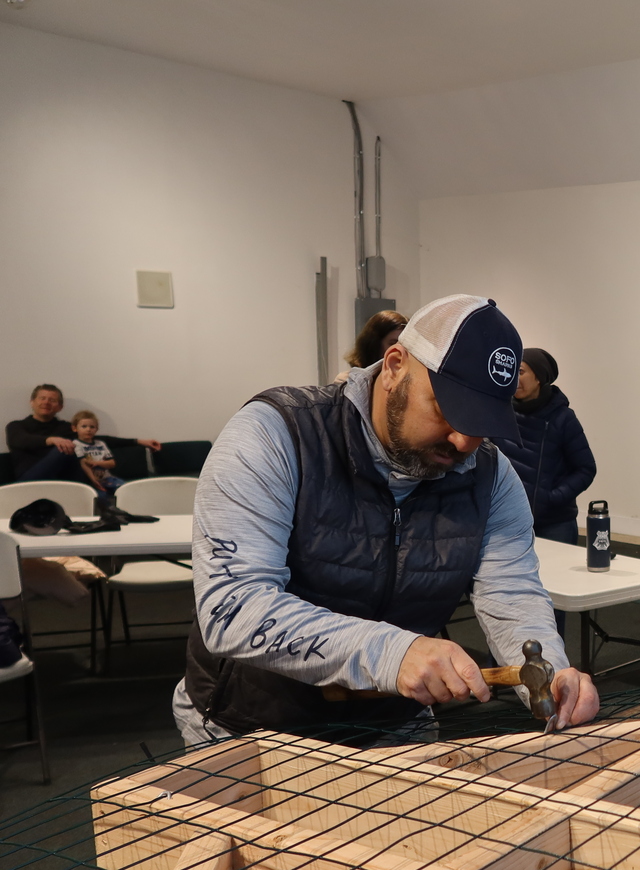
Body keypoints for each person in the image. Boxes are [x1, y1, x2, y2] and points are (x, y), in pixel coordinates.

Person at [173, 294, 599, 746]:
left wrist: (549, 671)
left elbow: (512, 592)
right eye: (447, 411)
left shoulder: (491, 476)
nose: (464, 442)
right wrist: (393, 653)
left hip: (396, 726)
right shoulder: (277, 434)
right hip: (249, 727)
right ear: (394, 365)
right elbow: (233, 607)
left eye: (483, 423)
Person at [495, 349, 597, 635]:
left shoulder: (563, 418)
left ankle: (552, 669)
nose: (514, 378)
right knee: (505, 597)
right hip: (509, 521)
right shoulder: (500, 412)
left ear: (539, 378)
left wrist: (551, 498)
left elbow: (586, 468)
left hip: (554, 523)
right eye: (512, 370)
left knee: (550, 601)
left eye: (522, 371)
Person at [5, 385, 160, 482]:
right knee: (68, 448)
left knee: (83, 446)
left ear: (59, 407)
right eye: (42, 398)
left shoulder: (66, 428)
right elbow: (20, 440)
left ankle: (103, 499)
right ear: (32, 402)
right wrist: (52, 440)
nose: (46, 402)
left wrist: (139, 441)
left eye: (52, 400)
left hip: (64, 479)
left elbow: (96, 438)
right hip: (30, 478)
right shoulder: (16, 426)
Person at [71, 411, 126, 494]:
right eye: (84, 426)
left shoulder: (101, 443)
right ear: (75, 428)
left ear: (96, 429)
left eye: (92, 427)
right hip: (90, 480)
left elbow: (112, 463)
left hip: (107, 478)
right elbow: (84, 464)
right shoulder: (76, 444)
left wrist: (96, 463)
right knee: (101, 497)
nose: (88, 429)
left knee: (125, 488)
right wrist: (94, 480)